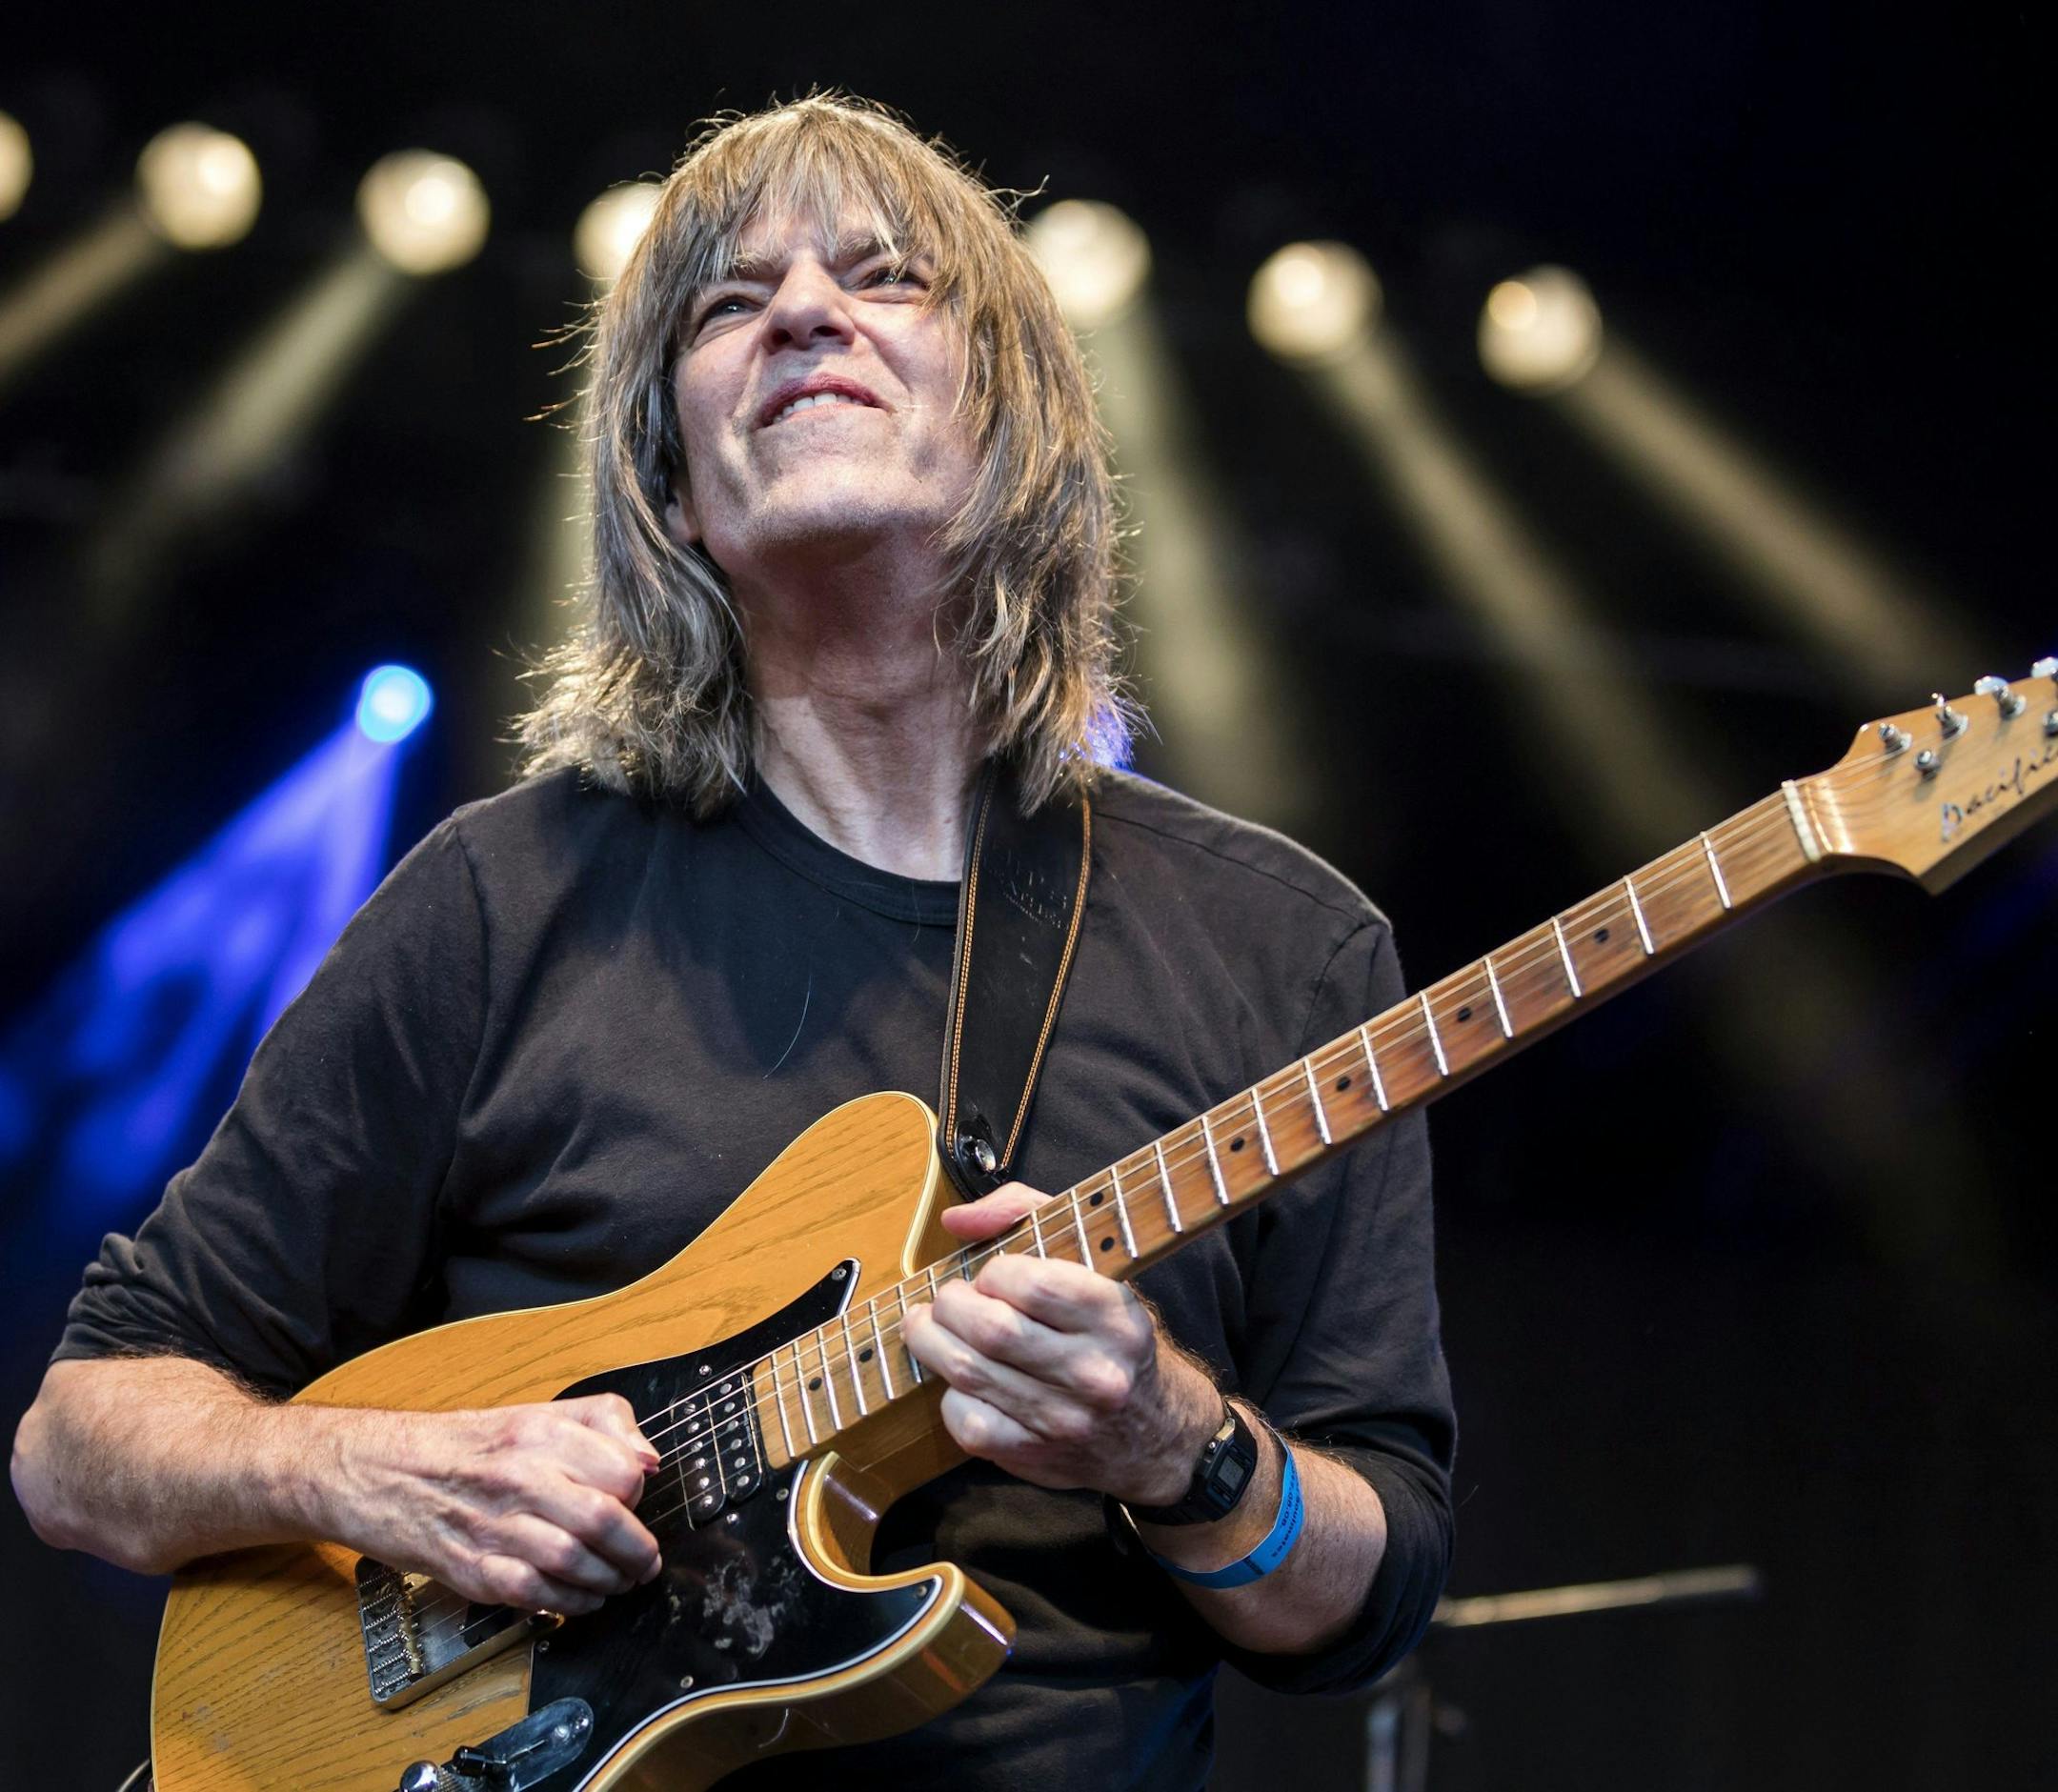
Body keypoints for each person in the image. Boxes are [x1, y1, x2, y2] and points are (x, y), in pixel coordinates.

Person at [10, 95, 1454, 1791]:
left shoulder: (1283, 957)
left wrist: (1174, 1437)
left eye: (884, 276)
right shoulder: (500, 901)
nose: (800, 313)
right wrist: (380, 1476)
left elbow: (1371, 1591)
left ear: (1019, 426)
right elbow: (78, 1436)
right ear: (674, 490)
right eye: (724, 302)